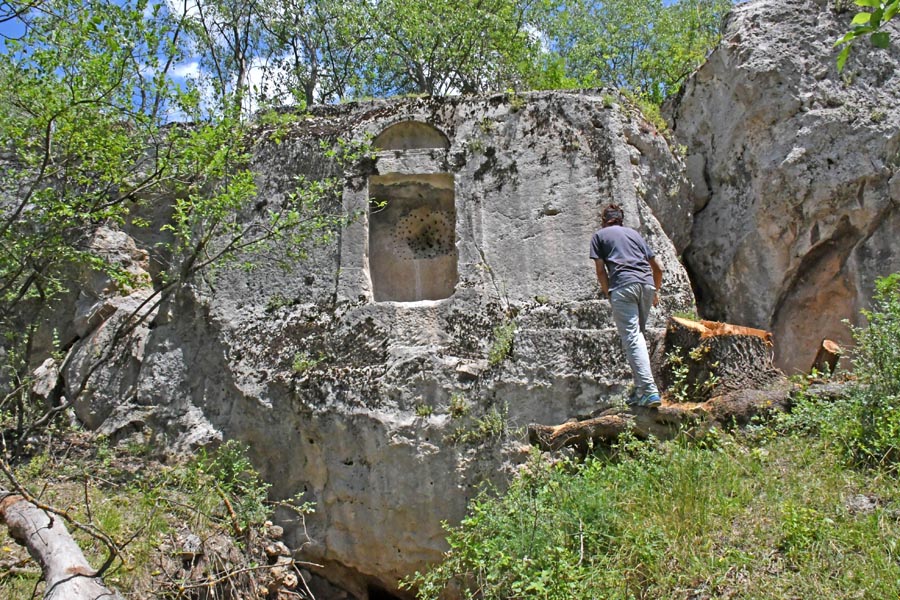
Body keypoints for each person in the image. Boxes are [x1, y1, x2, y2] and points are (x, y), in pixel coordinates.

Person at [589, 204, 663, 408]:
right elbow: (658, 268)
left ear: (603, 219)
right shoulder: (635, 235)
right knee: (637, 336)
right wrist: (655, 291)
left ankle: (649, 390)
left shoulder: (599, 236)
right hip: (647, 284)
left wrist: (608, 293)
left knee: (632, 337)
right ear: (621, 219)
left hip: (623, 285)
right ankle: (640, 392)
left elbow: (600, 271)